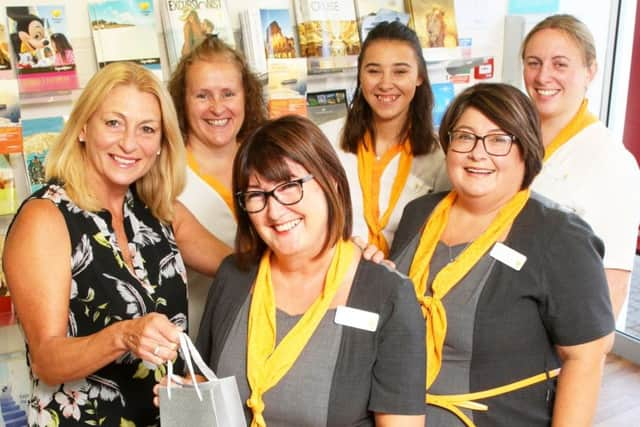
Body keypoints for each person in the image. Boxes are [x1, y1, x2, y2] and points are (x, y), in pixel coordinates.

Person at [2, 62, 230, 426]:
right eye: (113, 123)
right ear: (82, 128)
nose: (129, 143)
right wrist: (124, 335)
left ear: (161, 143)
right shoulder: (45, 218)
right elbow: (47, 360)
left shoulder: (161, 212)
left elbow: (242, 267)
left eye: (147, 129)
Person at [390, 83, 614, 426]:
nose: (478, 154)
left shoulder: (561, 238)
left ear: (525, 148)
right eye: (465, 137)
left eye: (499, 140)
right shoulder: (418, 213)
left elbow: (586, 358)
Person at [196, 115, 426, 426]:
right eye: (256, 195)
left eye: (289, 186)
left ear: (330, 181)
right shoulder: (233, 276)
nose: (275, 211)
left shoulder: (387, 295)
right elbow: (204, 384)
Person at [521, 14, 640, 322]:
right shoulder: (508, 139)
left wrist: (581, 362)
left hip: (555, 331)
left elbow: (611, 287)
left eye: (560, 64)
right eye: (533, 62)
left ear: (591, 71)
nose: (543, 76)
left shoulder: (613, 163)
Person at [321, 21, 449, 256]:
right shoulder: (324, 140)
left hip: (404, 282)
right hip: (335, 275)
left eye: (400, 71)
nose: (385, 83)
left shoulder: (439, 156)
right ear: (360, 75)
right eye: (373, 71)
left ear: (419, 76)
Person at [168, 34, 267, 339]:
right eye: (202, 96)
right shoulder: (163, 172)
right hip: (197, 339)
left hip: (272, 331)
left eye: (228, 94)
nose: (217, 107)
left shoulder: (270, 158)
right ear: (182, 102)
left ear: (246, 97)